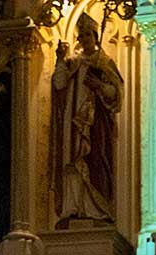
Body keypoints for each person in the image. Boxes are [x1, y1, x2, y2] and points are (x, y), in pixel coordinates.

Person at [51, 12, 123, 227]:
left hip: (95, 123)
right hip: (73, 122)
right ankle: (73, 207)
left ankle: (96, 208)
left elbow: (116, 93)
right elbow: (59, 84)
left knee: (96, 159)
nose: (84, 39)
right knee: (72, 160)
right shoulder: (73, 62)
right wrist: (60, 60)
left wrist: (99, 86)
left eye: (88, 35)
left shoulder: (104, 62)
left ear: (95, 37)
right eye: (81, 36)